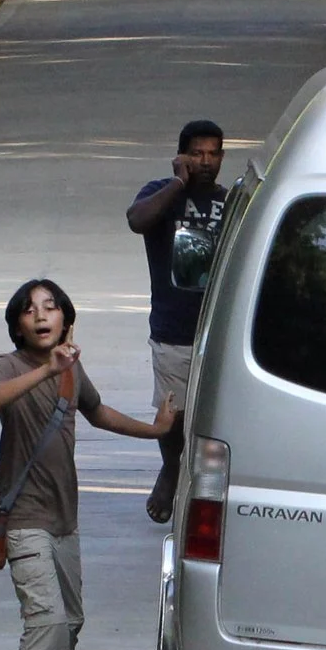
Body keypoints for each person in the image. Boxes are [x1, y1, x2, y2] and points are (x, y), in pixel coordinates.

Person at [0, 277, 171, 650]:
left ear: (66, 317)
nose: (40, 315)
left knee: (71, 624)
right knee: (47, 623)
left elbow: (98, 412)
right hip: (23, 520)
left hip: (64, 519)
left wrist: (156, 430)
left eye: (50, 307)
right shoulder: (12, 365)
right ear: (17, 325)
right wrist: (46, 369)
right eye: (29, 309)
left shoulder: (72, 367)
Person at [125, 119, 229, 522]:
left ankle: (206, 483)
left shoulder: (234, 200)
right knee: (173, 416)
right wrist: (177, 185)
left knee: (217, 413)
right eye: (197, 154)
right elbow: (137, 221)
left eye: (213, 153)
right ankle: (171, 468)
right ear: (182, 156)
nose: (206, 162)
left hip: (219, 330)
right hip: (172, 329)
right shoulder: (160, 193)